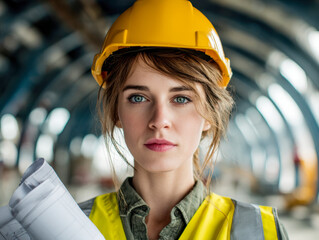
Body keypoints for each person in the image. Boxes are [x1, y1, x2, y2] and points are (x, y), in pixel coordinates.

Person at [80, 0, 289, 239]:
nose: (159, 120)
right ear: (116, 112)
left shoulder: (260, 231)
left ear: (210, 114)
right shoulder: (64, 226)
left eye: (180, 99)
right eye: (138, 97)